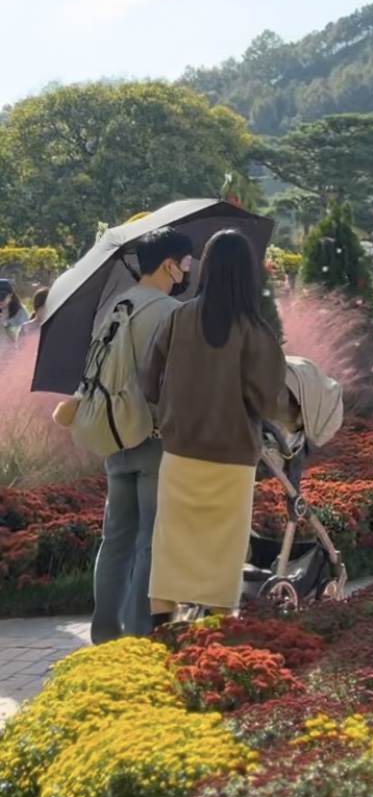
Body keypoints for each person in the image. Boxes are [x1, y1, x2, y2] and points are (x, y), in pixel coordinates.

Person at [142, 229, 286, 626]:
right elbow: (269, 399)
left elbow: (149, 381)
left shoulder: (178, 317)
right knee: (225, 546)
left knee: (171, 541)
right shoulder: (256, 331)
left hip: (180, 450)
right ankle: (220, 625)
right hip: (233, 455)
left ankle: (162, 624)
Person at [90, 227, 194, 645]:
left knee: (114, 539)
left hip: (115, 437)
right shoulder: (171, 311)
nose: (188, 269)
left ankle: (104, 635)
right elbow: (178, 381)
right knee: (150, 540)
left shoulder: (113, 306)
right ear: (169, 263)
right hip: (153, 438)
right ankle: (137, 637)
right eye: (186, 261)